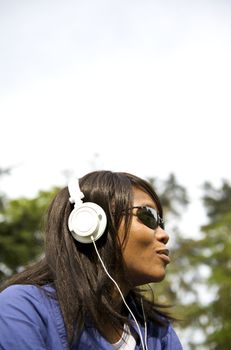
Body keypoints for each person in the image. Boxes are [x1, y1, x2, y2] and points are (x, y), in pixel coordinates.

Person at [0, 170, 183, 350]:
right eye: (147, 215)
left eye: (162, 223)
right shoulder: (22, 309)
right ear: (89, 224)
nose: (164, 235)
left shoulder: (159, 333)